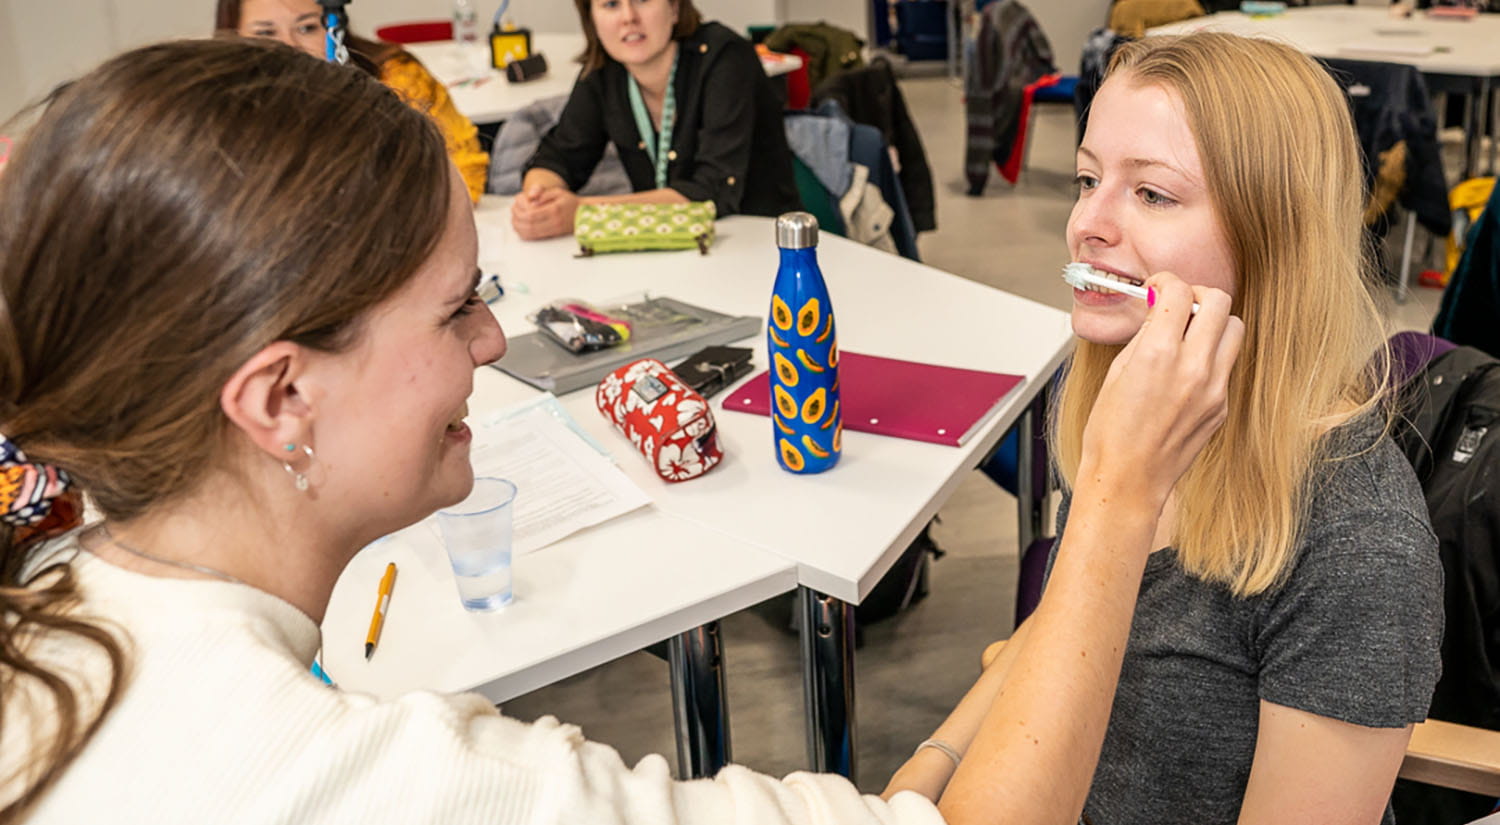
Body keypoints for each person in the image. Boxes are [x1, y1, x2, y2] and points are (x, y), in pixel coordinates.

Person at [0, 38, 1242, 824]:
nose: (496, 344)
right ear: (280, 400)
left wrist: (917, 783)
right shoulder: (376, 785)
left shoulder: (61, 610)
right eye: (458, 307)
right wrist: (1119, 495)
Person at [989, 33, 1442, 825]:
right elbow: (1048, 636)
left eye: (1151, 194)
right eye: (1087, 179)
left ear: (1274, 236)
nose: (1086, 224)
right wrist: (928, 773)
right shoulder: (1129, 413)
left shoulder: (1360, 539)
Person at [512, 0, 800, 240]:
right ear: (592, 20)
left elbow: (713, 192)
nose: (628, 18)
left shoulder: (725, 56)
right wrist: (539, 199)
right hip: (668, 247)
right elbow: (559, 155)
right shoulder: (605, 72)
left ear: (674, 7)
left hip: (758, 246)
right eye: (610, 4)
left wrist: (581, 213)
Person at [216, 0, 490, 202]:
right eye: (265, 33)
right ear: (232, 38)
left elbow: (465, 176)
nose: (290, 46)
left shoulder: (395, 81)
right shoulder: (221, 110)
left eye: (308, 27)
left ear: (336, 27)